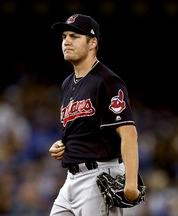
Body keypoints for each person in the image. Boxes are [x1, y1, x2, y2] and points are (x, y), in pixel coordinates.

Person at [48, 14, 141, 215]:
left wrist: (131, 184)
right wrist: (64, 145)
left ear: (92, 43)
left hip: (99, 177)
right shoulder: (68, 83)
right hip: (71, 179)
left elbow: (128, 133)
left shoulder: (108, 81)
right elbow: (85, 128)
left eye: (74, 36)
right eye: (64, 36)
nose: (66, 41)